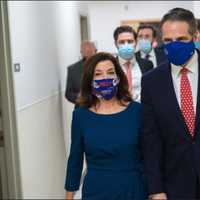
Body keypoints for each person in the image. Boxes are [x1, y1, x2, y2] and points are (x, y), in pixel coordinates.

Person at [65, 52, 147, 200]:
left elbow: (149, 156)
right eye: (98, 74)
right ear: (89, 80)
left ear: (118, 77)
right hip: (96, 190)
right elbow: (75, 161)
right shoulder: (80, 115)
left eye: (110, 73)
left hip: (134, 189)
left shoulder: (137, 111)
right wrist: (69, 196)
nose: (105, 78)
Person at [140, 8, 200, 200]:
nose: (174, 46)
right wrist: (155, 189)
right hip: (175, 184)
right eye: (168, 41)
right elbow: (151, 140)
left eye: (181, 39)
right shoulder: (151, 81)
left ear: (195, 36)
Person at [113, 25, 153, 102]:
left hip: (142, 109)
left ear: (136, 42)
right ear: (115, 44)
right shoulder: (111, 66)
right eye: (122, 42)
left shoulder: (147, 64)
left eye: (130, 41)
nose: (126, 45)